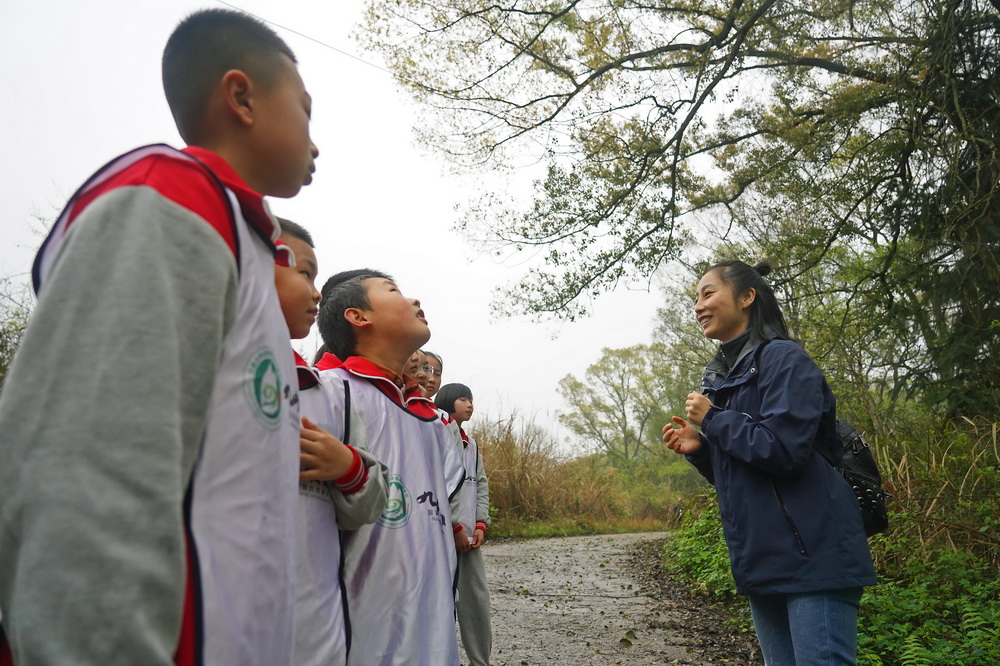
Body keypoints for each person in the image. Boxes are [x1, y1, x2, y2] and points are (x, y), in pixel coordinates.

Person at [0, 9, 319, 664]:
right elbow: (82, 487)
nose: (316, 144)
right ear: (241, 97)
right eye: (306, 112)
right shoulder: (167, 199)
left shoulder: (247, 250)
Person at [662, 260, 876, 665]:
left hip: (815, 556)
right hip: (763, 559)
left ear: (746, 297)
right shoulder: (724, 378)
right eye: (695, 298)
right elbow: (745, 476)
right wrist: (702, 449)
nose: (698, 306)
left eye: (708, 293)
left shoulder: (783, 359)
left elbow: (784, 452)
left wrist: (713, 419)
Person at [315, 269, 467, 665]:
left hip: (433, 628)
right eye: (394, 290)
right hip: (363, 633)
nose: (414, 300)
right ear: (358, 316)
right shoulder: (330, 392)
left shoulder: (431, 422)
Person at [273, 220, 389, 665]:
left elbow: (370, 505)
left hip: (315, 632)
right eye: (304, 273)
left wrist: (350, 469)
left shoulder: (329, 395)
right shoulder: (203, 372)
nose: (317, 293)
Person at [435, 383, 493, 666]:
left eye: (471, 399)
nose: (470, 404)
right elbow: (440, 483)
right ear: (448, 401)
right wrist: (455, 525)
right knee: (441, 601)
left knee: (477, 600)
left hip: (470, 539)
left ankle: (480, 661)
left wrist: (480, 523)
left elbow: (480, 484)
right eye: (462, 399)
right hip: (443, 537)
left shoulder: (472, 444)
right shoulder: (439, 433)